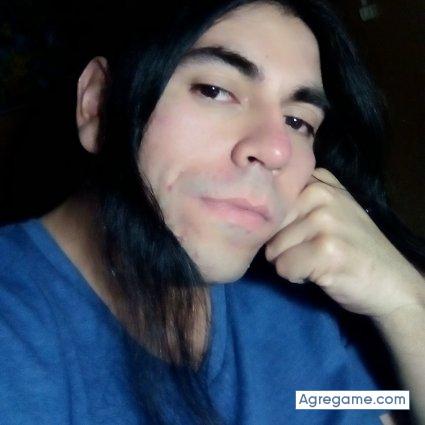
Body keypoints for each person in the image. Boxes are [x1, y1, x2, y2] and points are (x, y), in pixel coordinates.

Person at [0, 0, 424, 424]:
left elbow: (382, 412)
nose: (276, 150)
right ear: (98, 104)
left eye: (298, 122)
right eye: (215, 91)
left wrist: (406, 302)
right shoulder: (16, 336)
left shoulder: (305, 309)